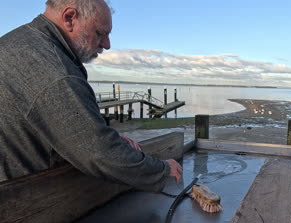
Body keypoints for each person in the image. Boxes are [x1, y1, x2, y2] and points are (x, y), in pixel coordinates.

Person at [0, 0, 182, 192]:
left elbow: (29, 129)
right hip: (19, 206)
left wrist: (95, 130)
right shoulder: (57, 72)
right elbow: (99, 153)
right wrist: (162, 169)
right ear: (69, 18)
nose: (107, 44)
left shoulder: (13, 42)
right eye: (100, 33)